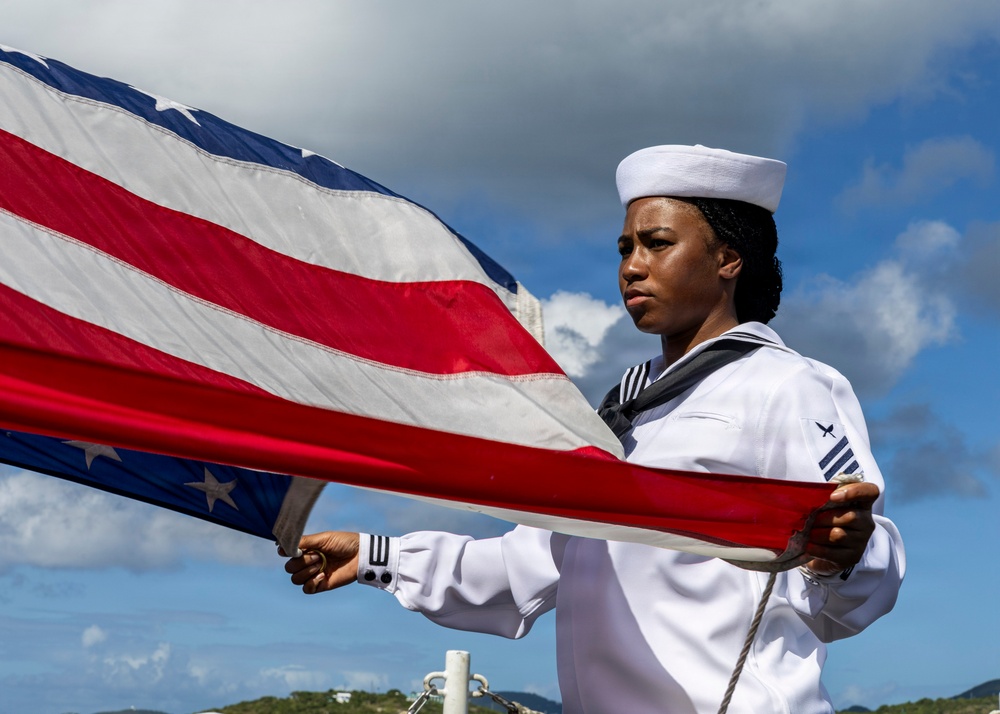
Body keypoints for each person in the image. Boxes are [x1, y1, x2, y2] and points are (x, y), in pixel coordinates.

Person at [284, 145, 906, 714]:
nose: (632, 267)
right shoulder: (618, 417)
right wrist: (375, 556)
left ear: (728, 259)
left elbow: (868, 565)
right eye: (624, 248)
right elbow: (522, 568)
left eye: (656, 243)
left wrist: (845, 552)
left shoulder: (786, 385)